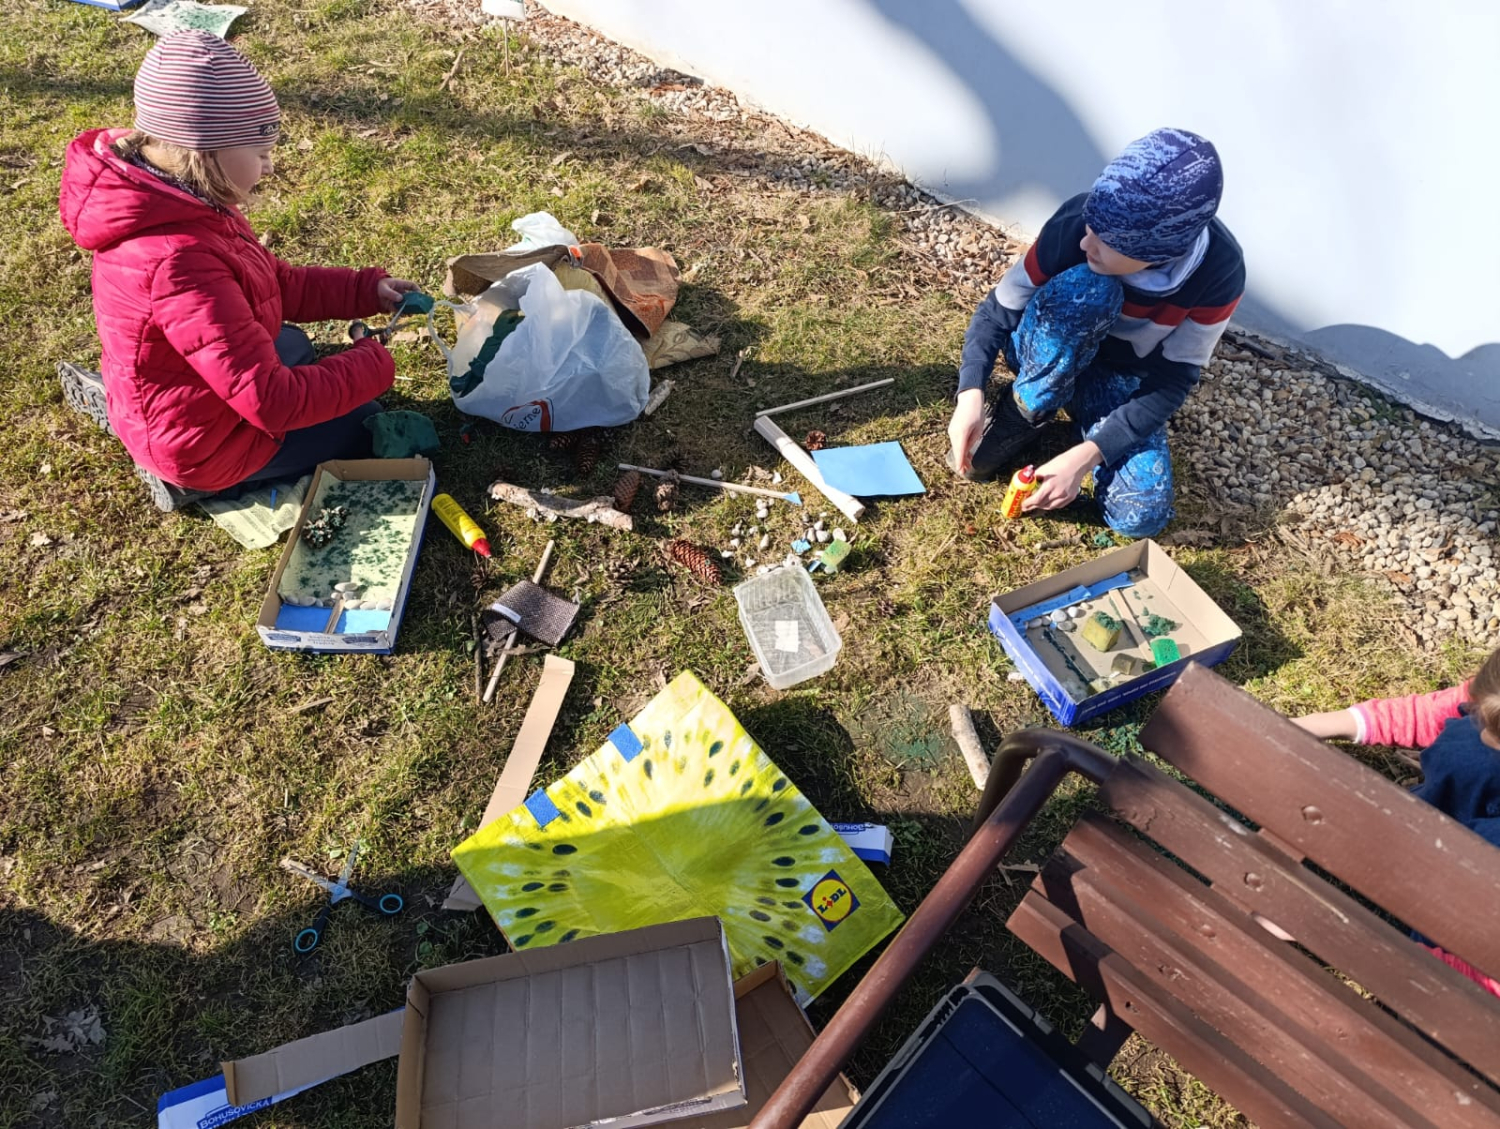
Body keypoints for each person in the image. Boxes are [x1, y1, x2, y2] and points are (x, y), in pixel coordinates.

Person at [57, 31, 419, 510]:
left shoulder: (177, 197)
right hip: (205, 447)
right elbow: (272, 401)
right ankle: (187, 482)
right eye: (261, 153)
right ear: (205, 151)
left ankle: (131, 414)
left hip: (174, 393)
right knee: (362, 421)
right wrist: (372, 363)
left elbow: (275, 285)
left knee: (292, 343)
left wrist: (364, 290)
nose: (269, 167)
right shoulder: (178, 261)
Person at [947, 128, 1245, 538]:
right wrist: (970, 392)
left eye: (1106, 242)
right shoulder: (1076, 223)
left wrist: (1086, 457)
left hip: (1116, 376)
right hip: (1044, 347)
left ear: (1157, 253)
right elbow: (996, 312)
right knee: (1090, 288)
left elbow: (1173, 380)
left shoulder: (1221, 273)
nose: (1086, 242)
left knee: (1140, 516)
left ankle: (1082, 417)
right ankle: (1026, 407)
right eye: (1090, 227)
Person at [1293, 649, 1500, 997]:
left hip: (1463, 957)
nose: (1478, 730)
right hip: (1447, 853)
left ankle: (1424, 876)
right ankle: (1422, 836)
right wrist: (1318, 724)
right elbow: (1440, 710)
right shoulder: (1492, 703)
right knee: (1470, 750)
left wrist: (1333, 934)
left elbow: (1476, 984)